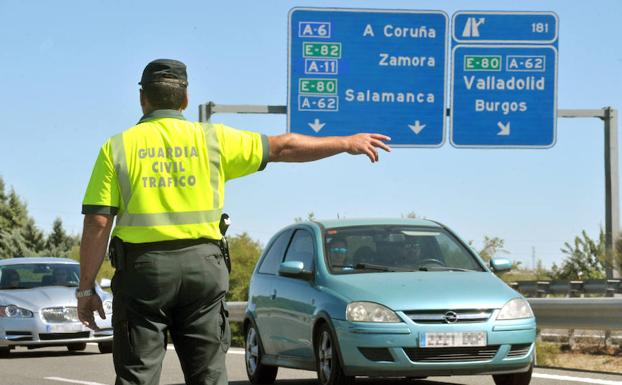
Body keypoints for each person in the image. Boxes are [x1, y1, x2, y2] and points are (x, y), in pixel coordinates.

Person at [76, 58, 391, 385]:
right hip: (204, 269)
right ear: (185, 100)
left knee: (137, 376)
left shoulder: (117, 148)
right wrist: (346, 143)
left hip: (144, 274)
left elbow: (98, 223)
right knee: (209, 375)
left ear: (143, 98)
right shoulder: (213, 140)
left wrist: (86, 289)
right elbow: (284, 147)